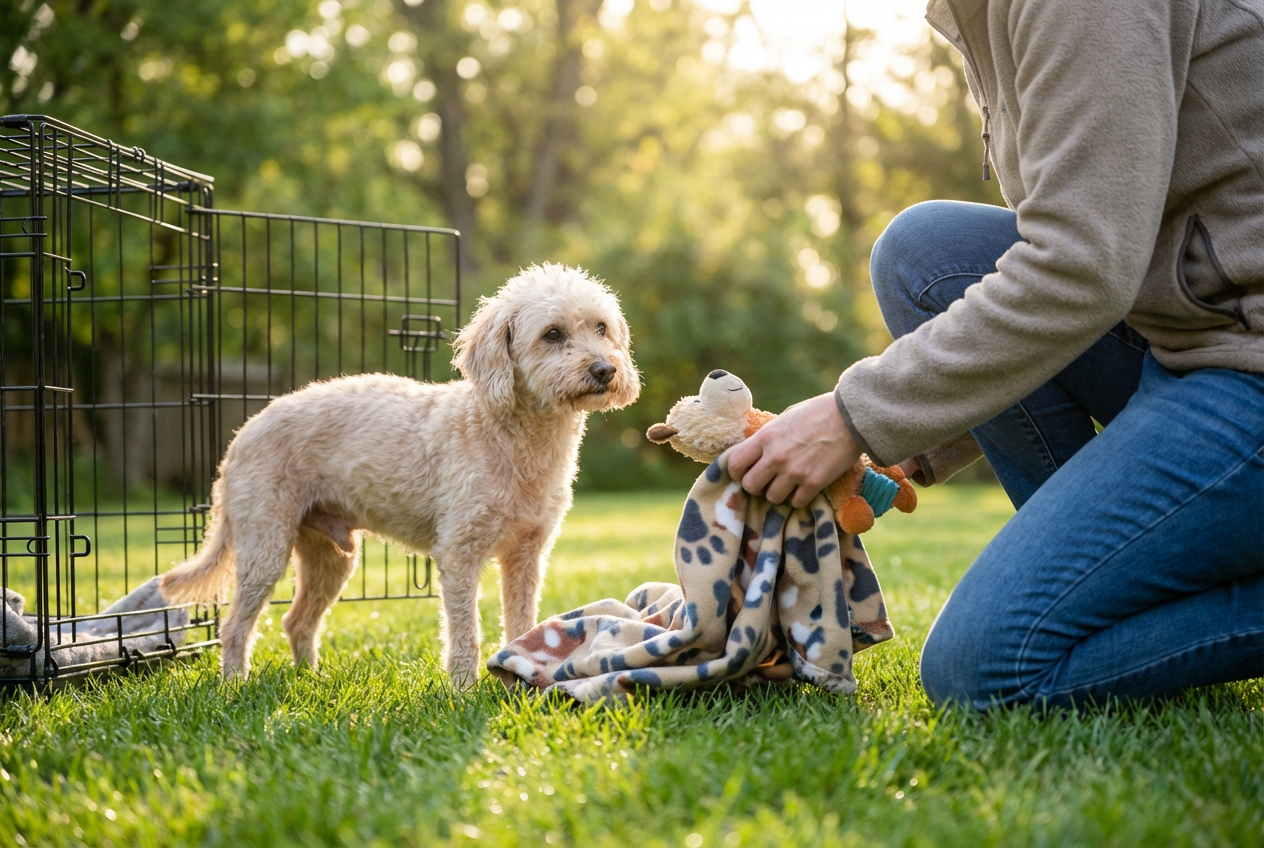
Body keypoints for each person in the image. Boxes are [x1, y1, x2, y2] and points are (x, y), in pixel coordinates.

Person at [728, 0, 1264, 709]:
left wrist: (854, 416)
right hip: (1191, 337)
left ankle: (1076, 620)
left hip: (1245, 364)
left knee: (985, 669)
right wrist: (912, 444)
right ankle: (1102, 598)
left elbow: (1080, 267)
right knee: (925, 254)